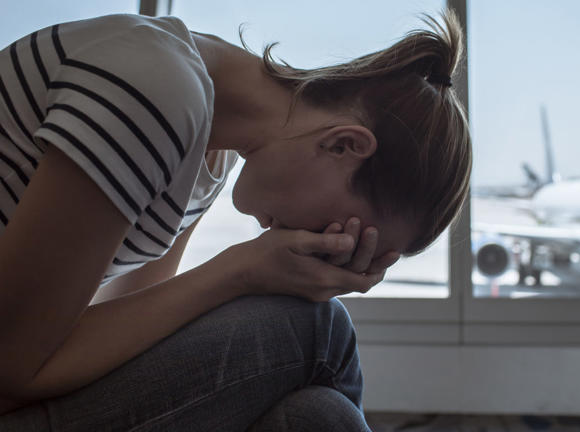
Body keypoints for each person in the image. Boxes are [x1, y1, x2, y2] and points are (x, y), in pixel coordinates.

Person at [0, 7, 471, 431]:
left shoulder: (211, 147)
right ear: (343, 144)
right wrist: (240, 271)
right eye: (339, 232)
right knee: (323, 329)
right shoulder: (156, 87)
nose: (319, 242)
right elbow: (14, 363)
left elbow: (129, 336)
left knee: (316, 418)